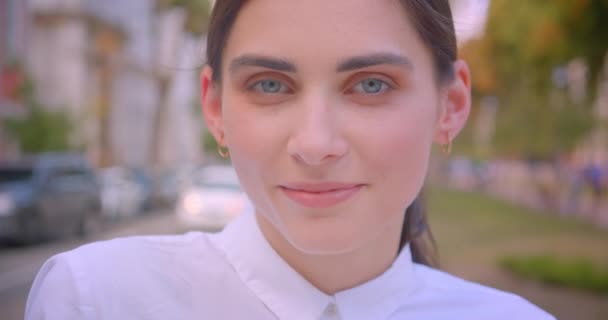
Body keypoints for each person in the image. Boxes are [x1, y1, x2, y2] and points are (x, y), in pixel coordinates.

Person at [25, 0, 556, 319]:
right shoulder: (98, 300)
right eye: (271, 84)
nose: (315, 142)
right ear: (215, 108)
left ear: (451, 105)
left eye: (370, 85)